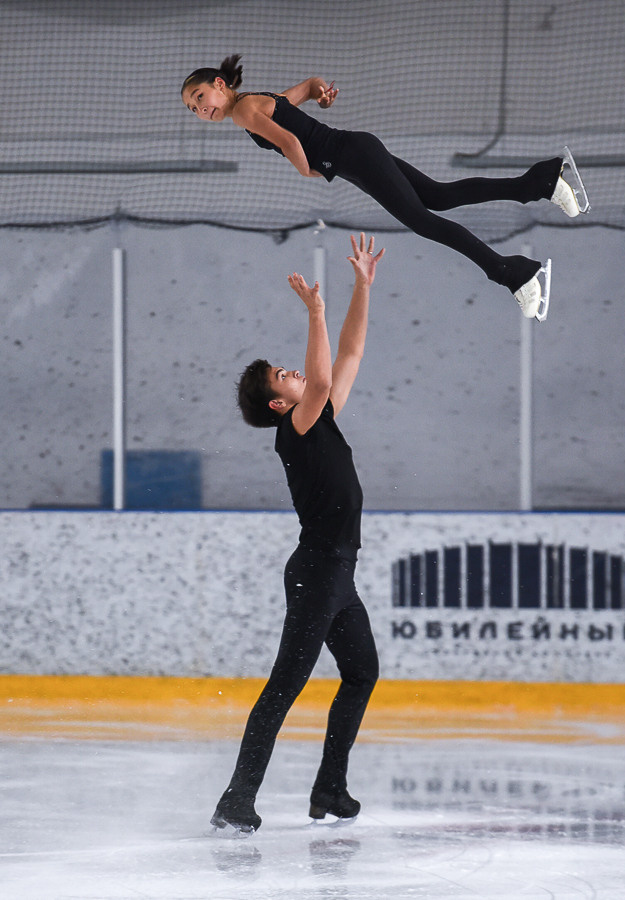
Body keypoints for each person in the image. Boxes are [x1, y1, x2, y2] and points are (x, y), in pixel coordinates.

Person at [181, 54, 587, 320]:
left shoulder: (243, 112)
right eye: (194, 109)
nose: (202, 109)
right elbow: (304, 88)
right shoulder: (254, 100)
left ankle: (511, 272)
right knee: (439, 197)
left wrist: (306, 170)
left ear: (220, 84)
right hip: (357, 152)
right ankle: (540, 183)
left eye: (201, 96)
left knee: (425, 221)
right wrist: (320, 94)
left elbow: (288, 141)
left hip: (352, 156)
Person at [211, 233, 384, 834]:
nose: (291, 373)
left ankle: (329, 790)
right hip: (317, 571)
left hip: (337, 572)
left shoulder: (320, 413)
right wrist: (314, 312)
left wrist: (362, 286)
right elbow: (318, 372)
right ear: (281, 405)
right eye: (279, 377)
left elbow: (351, 354)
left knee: (362, 672)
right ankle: (237, 798)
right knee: (287, 681)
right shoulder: (299, 428)